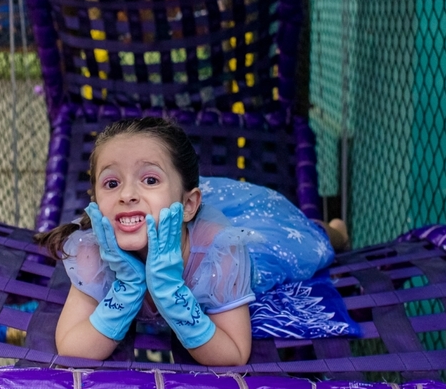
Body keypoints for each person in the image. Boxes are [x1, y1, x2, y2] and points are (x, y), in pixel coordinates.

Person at [37, 117, 348, 366]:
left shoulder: (221, 253)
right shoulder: (94, 252)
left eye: (150, 179)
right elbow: (72, 347)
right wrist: (129, 287)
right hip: (177, 212)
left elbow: (234, 352)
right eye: (111, 183)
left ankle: (336, 230)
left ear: (188, 204)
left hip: (240, 234)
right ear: (95, 200)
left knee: (309, 243)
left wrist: (171, 293)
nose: (126, 194)